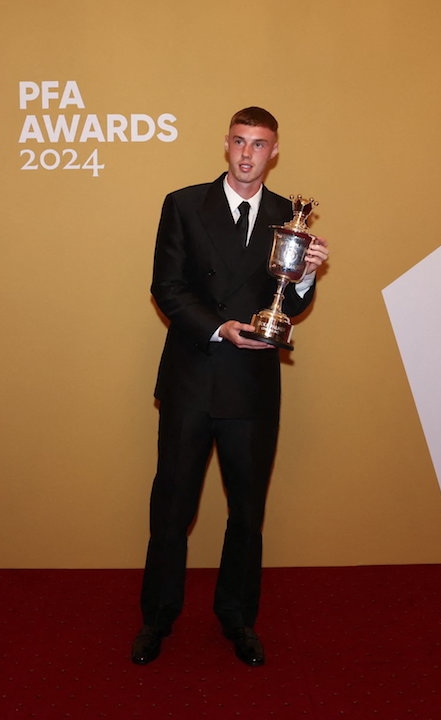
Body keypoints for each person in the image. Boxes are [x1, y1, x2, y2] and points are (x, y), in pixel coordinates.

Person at [132, 106, 329, 666]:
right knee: (172, 508)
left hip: (252, 386)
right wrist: (221, 328)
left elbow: (287, 305)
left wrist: (306, 275)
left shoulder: (288, 216)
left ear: (274, 151)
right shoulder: (183, 204)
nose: (248, 153)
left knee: (246, 511)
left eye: (259, 144)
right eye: (240, 141)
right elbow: (166, 287)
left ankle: (238, 618)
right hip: (193, 376)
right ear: (226, 144)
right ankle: (157, 618)